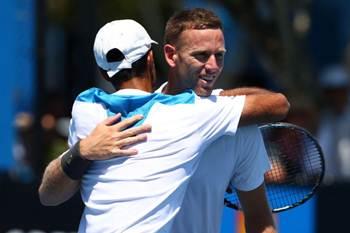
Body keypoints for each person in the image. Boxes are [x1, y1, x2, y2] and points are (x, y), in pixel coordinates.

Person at [39, 9, 290, 233]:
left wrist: (219, 98)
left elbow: (260, 220)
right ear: (165, 56)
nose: (213, 66)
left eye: (220, 56)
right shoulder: (197, 114)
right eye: (201, 56)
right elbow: (279, 104)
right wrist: (82, 151)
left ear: (105, 72)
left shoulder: (88, 109)